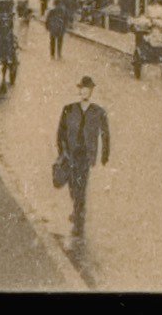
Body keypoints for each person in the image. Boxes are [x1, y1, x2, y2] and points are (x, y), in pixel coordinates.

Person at [56, 76, 110, 238]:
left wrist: (105, 153)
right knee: (73, 184)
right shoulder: (69, 109)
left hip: (86, 155)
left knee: (81, 183)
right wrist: (62, 151)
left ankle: (78, 216)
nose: (85, 91)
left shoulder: (98, 112)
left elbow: (105, 134)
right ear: (79, 91)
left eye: (88, 89)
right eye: (83, 89)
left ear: (91, 91)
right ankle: (77, 207)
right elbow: (61, 132)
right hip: (71, 153)